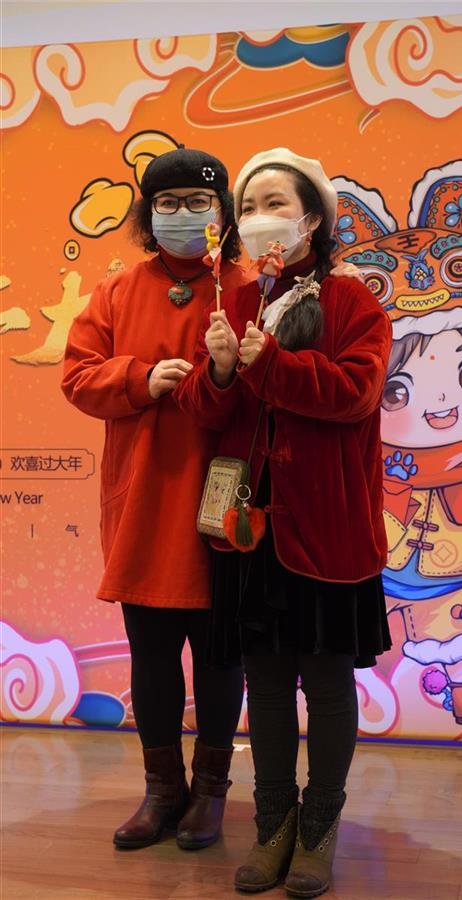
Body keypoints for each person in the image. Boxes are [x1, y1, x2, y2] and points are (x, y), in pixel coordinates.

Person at [175, 148, 393, 897]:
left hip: (327, 530)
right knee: (264, 685)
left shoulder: (354, 302)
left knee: (326, 685)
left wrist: (268, 364)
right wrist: (220, 371)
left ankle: (319, 828)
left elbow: (356, 394)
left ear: (312, 220)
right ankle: (273, 825)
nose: (259, 216)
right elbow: (206, 413)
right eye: (248, 206)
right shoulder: (233, 301)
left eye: (275, 203)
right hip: (248, 531)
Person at [61, 147, 248, 852]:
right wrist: (138, 378)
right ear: (147, 214)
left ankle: (210, 793)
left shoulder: (248, 286)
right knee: (152, 654)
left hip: (226, 503)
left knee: (222, 657)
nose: (182, 215)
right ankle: (162, 791)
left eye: (198, 203)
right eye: (167, 204)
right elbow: (77, 377)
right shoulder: (115, 291)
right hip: (143, 500)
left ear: (223, 213)